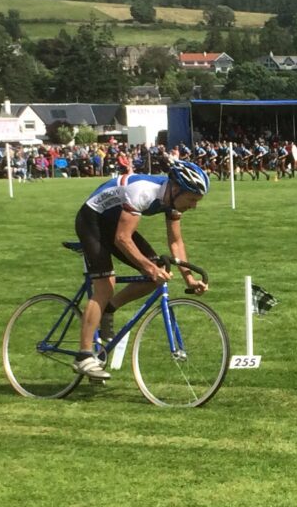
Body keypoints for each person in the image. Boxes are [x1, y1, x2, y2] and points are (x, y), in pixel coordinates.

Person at [70, 161, 211, 380]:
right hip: (93, 221)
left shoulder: (173, 200)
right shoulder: (144, 191)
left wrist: (189, 279)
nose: (194, 206)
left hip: (115, 222)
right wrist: (149, 268)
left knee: (158, 272)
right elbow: (122, 238)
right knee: (106, 285)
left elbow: (176, 243)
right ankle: (84, 356)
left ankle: (109, 308)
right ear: (175, 189)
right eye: (192, 199)